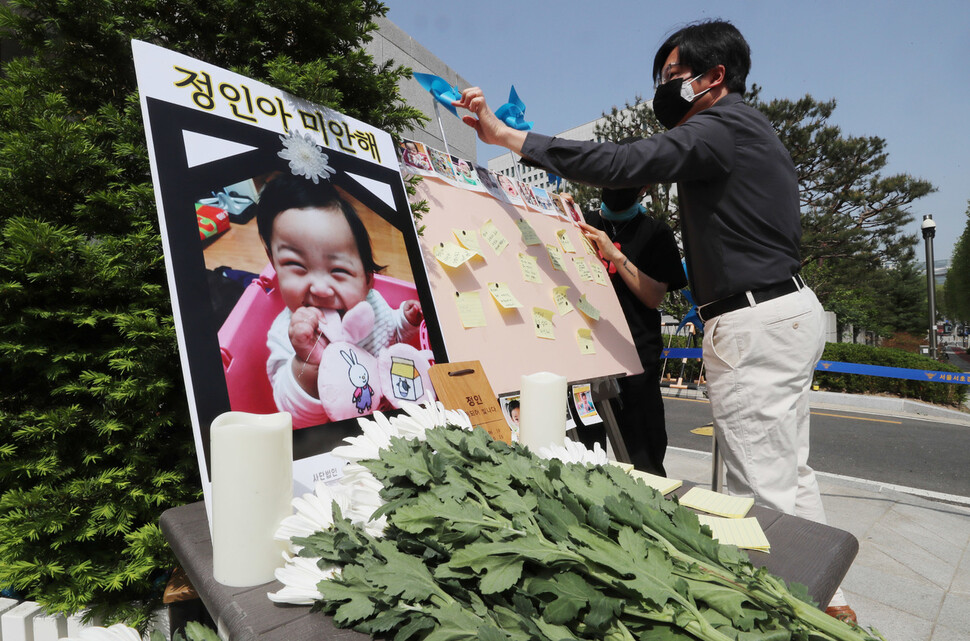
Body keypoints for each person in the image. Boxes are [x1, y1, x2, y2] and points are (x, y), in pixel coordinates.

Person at [454, 19, 855, 622]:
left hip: (754, 319)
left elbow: (622, 160)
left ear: (714, 77)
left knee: (760, 492)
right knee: (790, 473)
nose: (663, 90)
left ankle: (786, 618)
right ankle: (833, 604)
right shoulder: (750, 130)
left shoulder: (721, 126)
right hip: (781, 310)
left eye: (673, 77)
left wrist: (509, 137)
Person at [256, 173, 423, 427]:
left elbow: (394, 337)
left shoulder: (373, 304)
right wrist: (306, 363)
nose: (321, 289)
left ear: (368, 280)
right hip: (342, 437)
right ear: (274, 263)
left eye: (339, 271)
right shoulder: (288, 334)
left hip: (392, 412)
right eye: (296, 265)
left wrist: (406, 320)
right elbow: (293, 416)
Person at [577, 153, 687, 475]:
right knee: (584, 456)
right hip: (586, 355)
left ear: (644, 186)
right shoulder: (582, 221)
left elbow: (654, 297)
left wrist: (612, 252)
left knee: (644, 458)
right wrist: (558, 209)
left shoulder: (656, 233)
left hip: (636, 358)